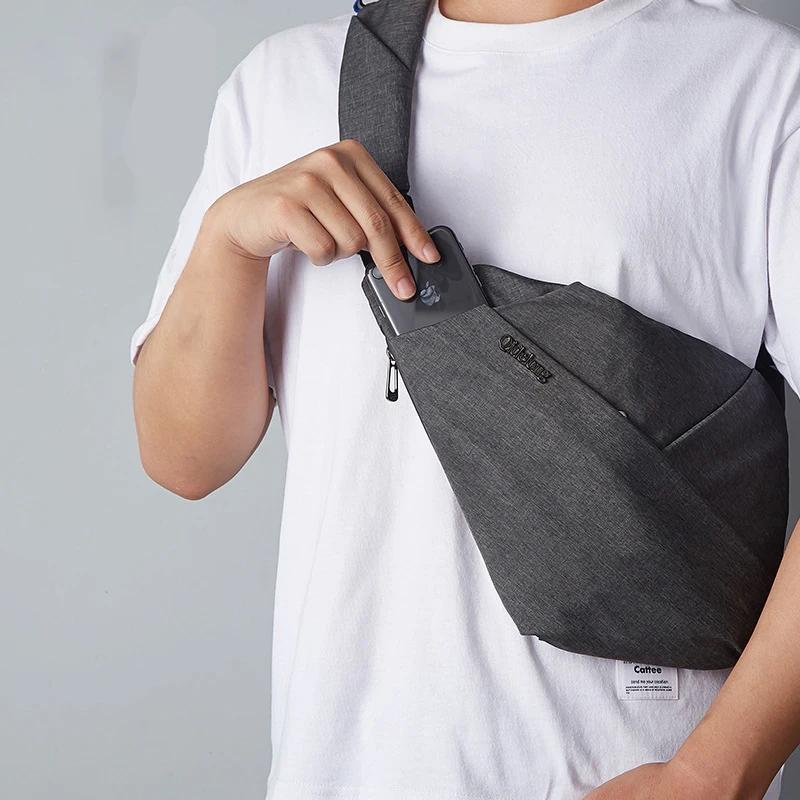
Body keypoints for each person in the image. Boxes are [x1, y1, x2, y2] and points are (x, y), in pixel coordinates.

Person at [131, 0, 800, 797]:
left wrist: (714, 775)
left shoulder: (754, 83)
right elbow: (183, 458)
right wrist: (228, 242)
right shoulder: (283, 84)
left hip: (624, 770)